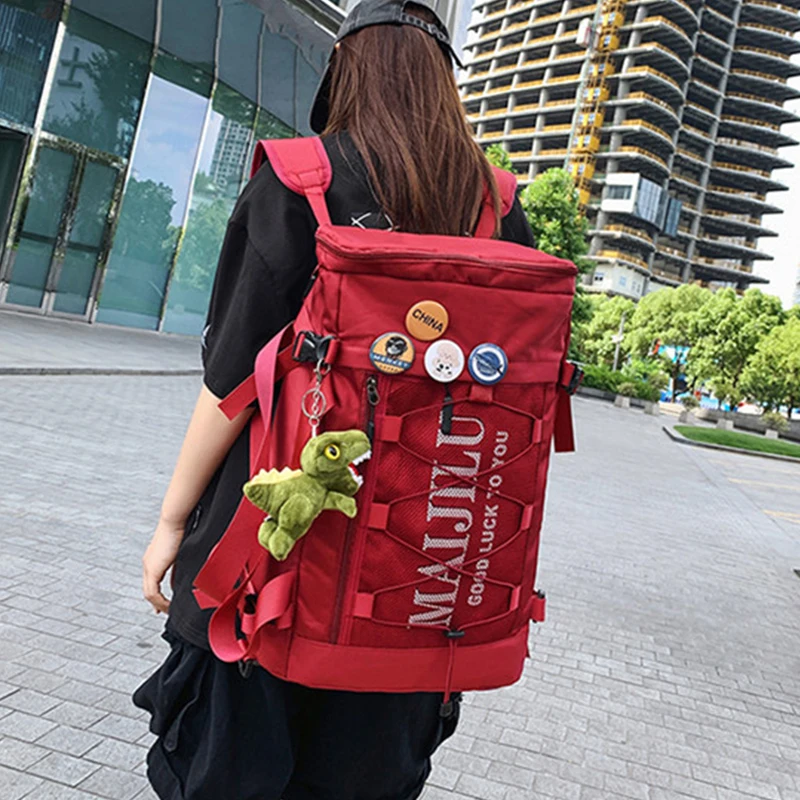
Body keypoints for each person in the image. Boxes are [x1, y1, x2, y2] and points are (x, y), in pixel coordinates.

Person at [133, 2, 536, 799]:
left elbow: (232, 385)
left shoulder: (298, 178)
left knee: (229, 771)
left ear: (342, 70)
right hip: (424, 564)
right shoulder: (495, 204)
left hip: (277, 554)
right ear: (444, 82)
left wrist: (172, 522)